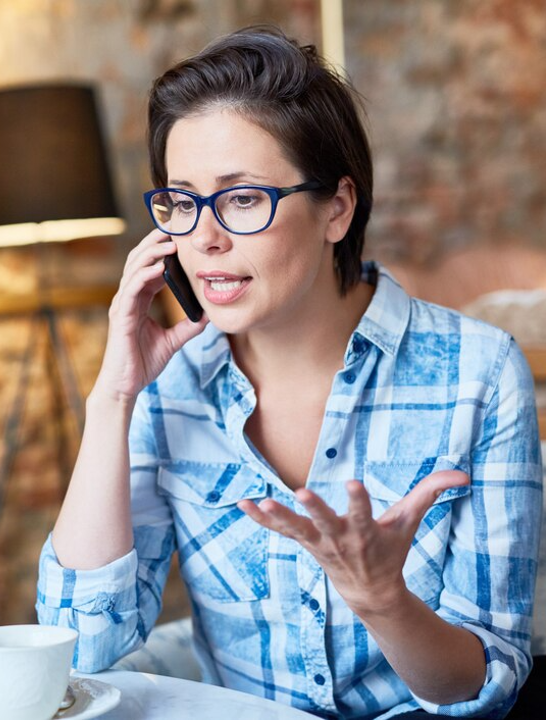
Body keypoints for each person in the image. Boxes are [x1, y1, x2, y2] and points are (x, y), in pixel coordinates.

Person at [35, 25, 543, 720]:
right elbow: (81, 647)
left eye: (243, 199)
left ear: (337, 208)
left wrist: (382, 601)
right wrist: (113, 396)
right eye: (181, 202)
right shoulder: (172, 386)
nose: (204, 238)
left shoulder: (478, 375)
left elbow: (485, 686)